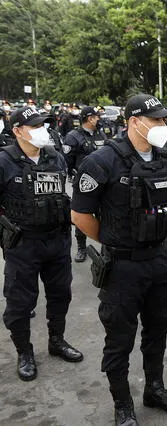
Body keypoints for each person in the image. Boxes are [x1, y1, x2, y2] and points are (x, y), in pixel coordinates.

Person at [71, 94, 167, 425]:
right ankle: (122, 403)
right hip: (123, 266)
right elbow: (80, 216)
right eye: (157, 120)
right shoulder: (101, 161)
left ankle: (155, 388)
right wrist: (117, 241)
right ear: (134, 122)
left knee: (158, 330)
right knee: (120, 338)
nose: (164, 126)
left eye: (166, 120)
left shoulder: (164, 157)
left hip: (161, 260)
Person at [1, 107, 83, 382]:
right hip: (23, 244)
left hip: (57, 241)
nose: (42, 130)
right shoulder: (5, 161)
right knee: (20, 303)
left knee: (60, 295)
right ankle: (24, 352)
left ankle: (56, 340)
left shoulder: (54, 156)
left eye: (43, 124)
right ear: (17, 131)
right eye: (34, 125)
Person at [63, 106, 108, 262]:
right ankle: (81, 247)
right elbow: (67, 161)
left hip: (103, 183)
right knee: (82, 214)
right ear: (90, 118)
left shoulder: (100, 134)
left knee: (104, 215)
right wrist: (73, 175)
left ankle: (105, 248)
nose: (98, 119)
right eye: (96, 117)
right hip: (84, 184)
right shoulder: (73, 137)